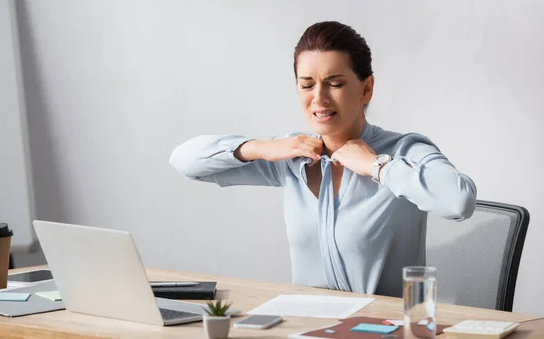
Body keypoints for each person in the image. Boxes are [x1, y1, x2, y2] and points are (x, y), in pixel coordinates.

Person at [169, 21, 476, 297]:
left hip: (381, 329)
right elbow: (184, 161)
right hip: (307, 326)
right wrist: (259, 147)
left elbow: (459, 201)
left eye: (335, 83)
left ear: (366, 88)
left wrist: (376, 166)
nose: (319, 98)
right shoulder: (292, 155)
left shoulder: (404, 150)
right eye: (307, 84)